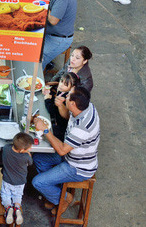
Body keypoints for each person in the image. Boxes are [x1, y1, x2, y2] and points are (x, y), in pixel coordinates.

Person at [32, 87, 100, 216]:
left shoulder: (82, 128)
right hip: (72, 154)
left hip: (77, 167)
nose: (65, 97)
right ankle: (53, 192)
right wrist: (61, 105)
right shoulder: (87, 106)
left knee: (37, 182)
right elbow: (69, 115)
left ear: (73, 104)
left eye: (68, 96)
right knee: (38, 159)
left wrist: (45, 130)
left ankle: (64, 198)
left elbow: (62, 150)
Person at [42, 0, 77, 69]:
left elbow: (53, 21)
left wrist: (45, 6)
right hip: (54, 34)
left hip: (58, 39)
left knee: (38, 59)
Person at [0, 132, 33, 225]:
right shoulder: (26, 156)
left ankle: (8, 208)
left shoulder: (6, 149)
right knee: (17, 196)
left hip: (7, 180)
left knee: (5, 195)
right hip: (20, 182)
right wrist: (29, 154)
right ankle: (17, 209)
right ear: (22, 150)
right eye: (29, 148)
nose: (30, 149)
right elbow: (30, 163)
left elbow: (8, 147)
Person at [44, 72, 80, 141]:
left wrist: (47, 99)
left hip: (61, 128)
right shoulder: (62, 91)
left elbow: (52, 110)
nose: (61, 85)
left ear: (72, 88)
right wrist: (48, 92)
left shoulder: (65, 98)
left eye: (65, 84)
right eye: (61, 81)